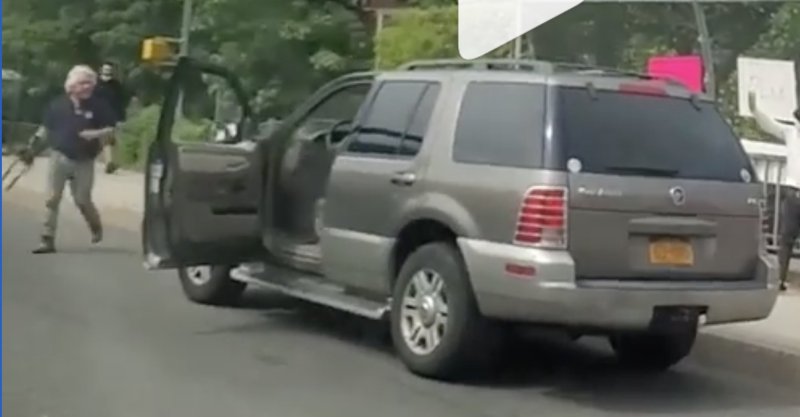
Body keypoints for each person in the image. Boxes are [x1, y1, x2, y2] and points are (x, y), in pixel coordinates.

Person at [19, 65, 117, 254]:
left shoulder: (99, 106)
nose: (87, 86)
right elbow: (45, 130)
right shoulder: (57, 105)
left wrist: (100, 143)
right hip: (59, 156)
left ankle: (95, 226)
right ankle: (47, 239)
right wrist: (31, 148)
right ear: (71, 86)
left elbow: (111, 132)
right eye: (82, 83)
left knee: (82, 199)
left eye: (90, 83)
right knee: (51, 199)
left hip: (85, 160)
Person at [749, 91, 800, 291]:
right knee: (787, 238)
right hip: (792, 191)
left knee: (787, 238)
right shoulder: (790, 133)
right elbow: (768, 124)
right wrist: (754, 109)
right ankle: (781, 279)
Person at [94, 61, 129, 174]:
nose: (107, 72)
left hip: (111, 115)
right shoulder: (95, 84)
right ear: (101, 70)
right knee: (105, 139)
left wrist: (121, 116)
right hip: (97, 114)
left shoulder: (116, 85)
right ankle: (109, 161)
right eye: (105, 70)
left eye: (109, 70)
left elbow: (121, 101)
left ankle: (110, 162)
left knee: (109, 139)